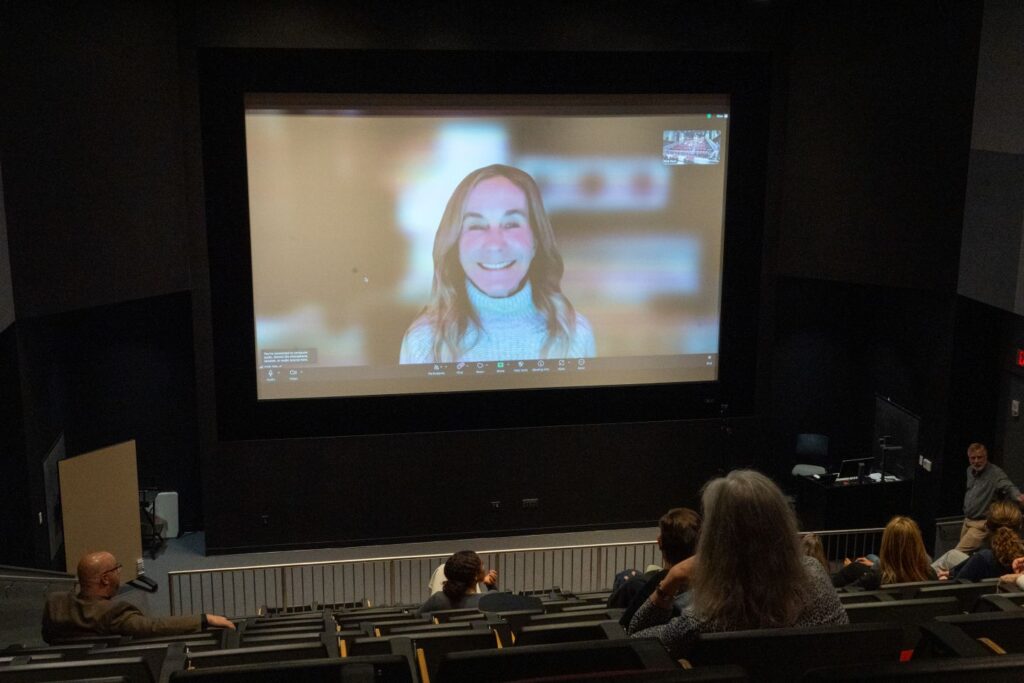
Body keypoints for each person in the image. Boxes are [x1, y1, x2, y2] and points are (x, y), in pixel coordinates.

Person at [627, 470, 847, 658]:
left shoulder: (704, 620)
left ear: (715, 540)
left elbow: (635, 639)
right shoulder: (816, 574)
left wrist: (672, 578)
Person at [399, 164, 595, 364]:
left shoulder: (576, 334)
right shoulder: (423, 341)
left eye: (511, 224)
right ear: (455, 244)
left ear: (535, 241)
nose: (495, 244)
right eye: (476, 226)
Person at [42, 551, 235, 644]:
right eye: (116, 569)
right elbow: (154, 627)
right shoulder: (113, 613)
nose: (119, 572)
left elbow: (47, 636)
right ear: (105, 579)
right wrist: (204, 619)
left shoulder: (54, 603)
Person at [608, 507, 701, 628]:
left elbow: (626, 624)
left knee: (627, 578)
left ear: (659, 542)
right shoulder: (714, 584)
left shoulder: (655, 583)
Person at [832, 516, 936, 590]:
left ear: (887, 545)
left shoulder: (874, 580)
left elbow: (842, 596)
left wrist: (849, 569)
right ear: (918, 543)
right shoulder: (930, 574)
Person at [956, 443, 1024, 553]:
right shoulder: (969, 471)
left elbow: (1008, 486)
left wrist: (1019, 497)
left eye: (980, 457)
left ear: (986, 457)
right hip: (967, 520)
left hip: (981, 524)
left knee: (956, 554)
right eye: (973, 458)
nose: (976, 461)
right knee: (965, 558)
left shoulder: (995, 473)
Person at [934, 499, 1022, 573]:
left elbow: (958, 586)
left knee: (951, 556)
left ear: (987, 526)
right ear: (1020, 526)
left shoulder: (982, 559)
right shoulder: (1021, 561)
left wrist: (946, 580)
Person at [418, 550, 493, 614]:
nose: (484, 567)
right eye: (482, 564)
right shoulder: (486, 601)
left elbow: (416, 618)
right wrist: (491, 586)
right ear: (475, 576)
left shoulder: (438, 599)